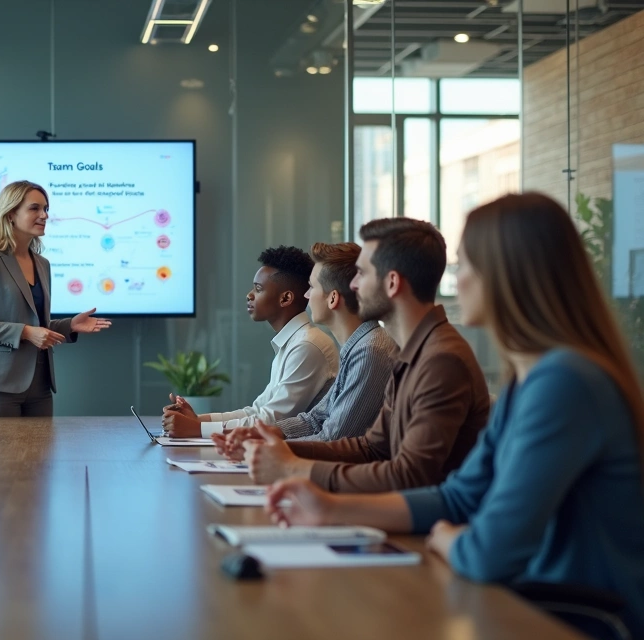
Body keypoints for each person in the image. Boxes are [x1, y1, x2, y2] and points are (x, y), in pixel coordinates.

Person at [266, 194, 644, 638]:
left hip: (575, 619)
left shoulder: (565, 382)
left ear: (506, 276)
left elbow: (488, 550)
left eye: (465, 266)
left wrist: (447, 536)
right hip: (531, 602)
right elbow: (459, 498)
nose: (456, 281)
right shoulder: (531, 380)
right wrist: (328, 508)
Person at [236, 218, 490, 491]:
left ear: (392, 283)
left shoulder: (435, 358)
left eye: (362, 273)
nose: (353, 286)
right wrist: (278, 447)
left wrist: (293, 465)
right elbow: (370, 447)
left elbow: (411, 476)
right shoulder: (410, 350)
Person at [212, 242, 395, 448]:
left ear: (333, 298)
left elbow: (333, 439)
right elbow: (315, 419)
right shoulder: (356, 347)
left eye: (312, 287)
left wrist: (266, 446)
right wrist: (260, 434)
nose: (306, 296)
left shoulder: (369, 351)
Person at [0, 180, 112, 417]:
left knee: (40, 456)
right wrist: (25, 332)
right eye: (34, 208)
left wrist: (70, 325)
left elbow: (36, 325)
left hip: (40, 385)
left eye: (46, 208)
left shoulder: (42, 263)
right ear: (10, 214)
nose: (44, 215)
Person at [163, 245, 338, 438]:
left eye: (258, 289)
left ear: (286, 298)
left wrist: (197, 429)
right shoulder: (294, 342)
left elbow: (272, 420)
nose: (249, 295)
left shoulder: (307, 346)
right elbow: (257, 411)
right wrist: (198, 420)